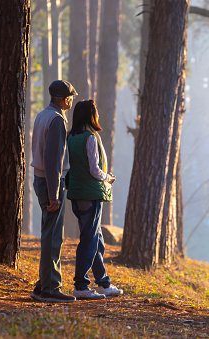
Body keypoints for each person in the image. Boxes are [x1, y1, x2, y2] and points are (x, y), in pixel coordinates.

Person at [66, 100, 123, 300]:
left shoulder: (70, 136)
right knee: (89, 240)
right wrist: (109, 178)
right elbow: (94, 170)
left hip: (76, 193)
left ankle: (103, 283)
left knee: (95, 238)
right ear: (91, 115)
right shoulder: (90, 138)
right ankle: (80, 285)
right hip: (90, 194)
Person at [30, 80, 77, 303]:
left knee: (48, 233)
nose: (72, 100)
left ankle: (43, 284)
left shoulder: (43, 115)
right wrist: (53, 194)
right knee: (53, 237)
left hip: (40, 179)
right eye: (71, 97)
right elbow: (52, 160)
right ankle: (50, 288)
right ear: (64, 99)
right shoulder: (57, 120)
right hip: (52, 183)